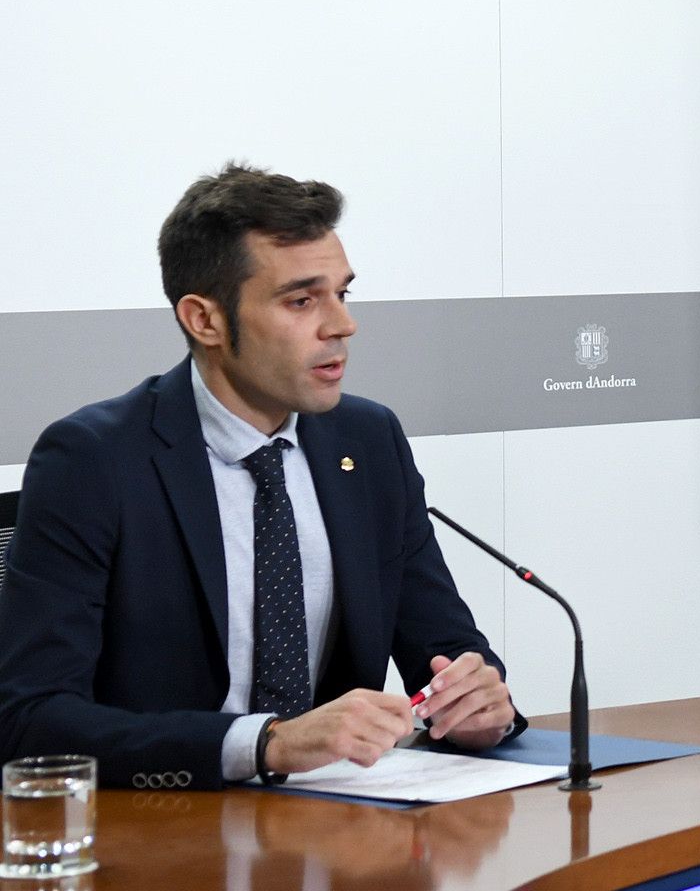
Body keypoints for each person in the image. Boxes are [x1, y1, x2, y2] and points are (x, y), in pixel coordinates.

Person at [0, 165, 520, 789]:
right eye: (302, 300)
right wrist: (266, 744)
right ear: (205, 320)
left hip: (340, 835)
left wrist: (478, 708)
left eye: (341, 294)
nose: (341, 325)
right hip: (164, 835)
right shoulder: (94, 460)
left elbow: (444, 652)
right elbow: (30, 721)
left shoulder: (369, 442)